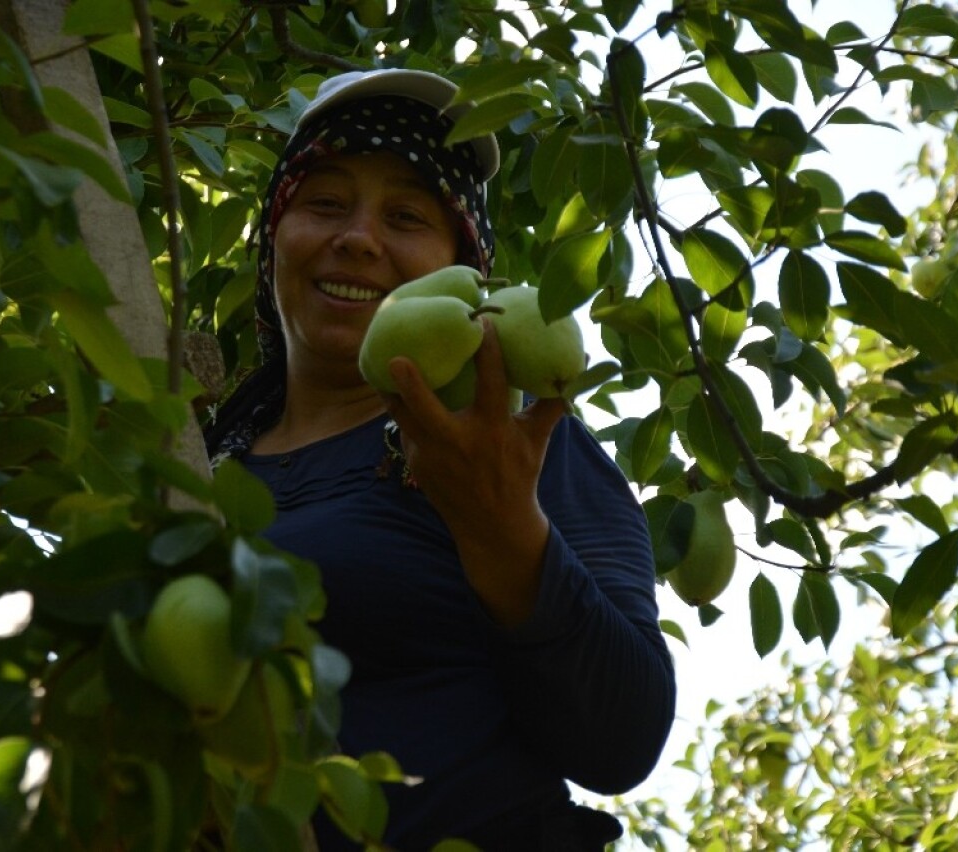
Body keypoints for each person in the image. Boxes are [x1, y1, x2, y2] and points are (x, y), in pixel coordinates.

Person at [205, 68, 676, 851]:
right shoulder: (202, 463)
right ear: (273, 233)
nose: (357, 237)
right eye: (324, 203)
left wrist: (503, 530)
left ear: (464, 273)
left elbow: (621, 739)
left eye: (407, 216)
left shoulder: (512, 444)